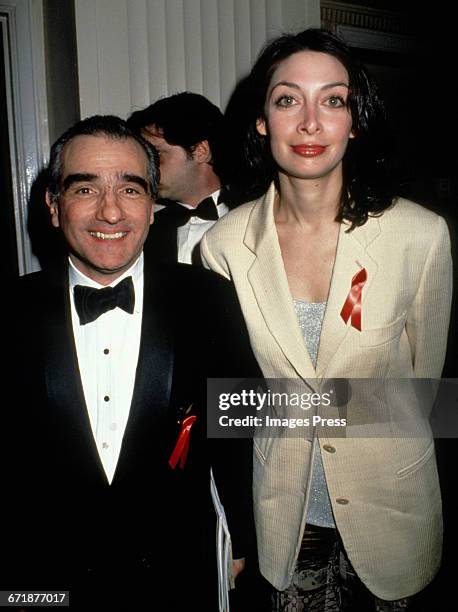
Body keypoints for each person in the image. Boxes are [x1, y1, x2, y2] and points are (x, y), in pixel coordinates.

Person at [201, 28, 453, 611]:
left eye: (333, 100)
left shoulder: (420, 236)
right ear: (262, 120)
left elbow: (428, 390)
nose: (310, 122)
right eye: (288, 99)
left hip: (392, 497)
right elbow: (230, 398)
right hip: (286, 510)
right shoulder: (222, 246)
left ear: (355, 119)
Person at [1, 115, 259, 611]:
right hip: (44, 580)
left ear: (153, 205)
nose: (110, 211)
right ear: (53, 207)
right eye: (84, 190)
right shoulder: (7, 312)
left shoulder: (209, 298)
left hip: (177, 577)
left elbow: (239, 426)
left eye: (131, 190)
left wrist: (241, 540)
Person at [127, 92, 230, 265]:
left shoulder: (257, 221)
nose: (146, 168)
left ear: (200, 151)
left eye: (156, 154)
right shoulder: (145, 230)